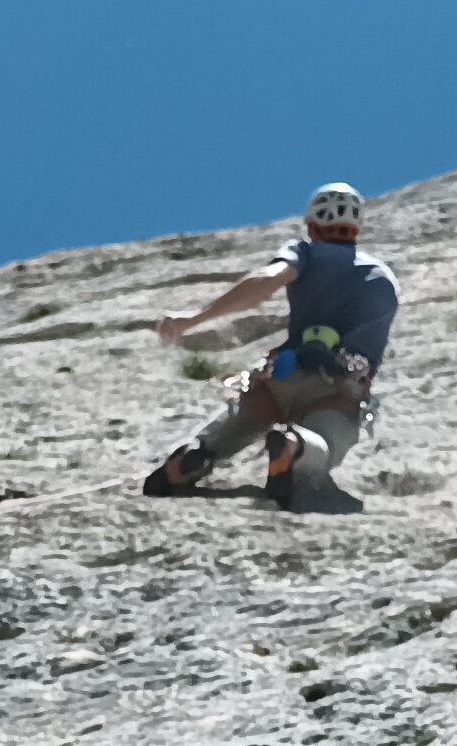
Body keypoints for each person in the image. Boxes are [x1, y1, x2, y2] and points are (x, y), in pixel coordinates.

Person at [143, 183, 400, 506]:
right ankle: (294, 446)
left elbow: (268, 280)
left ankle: (199, 452)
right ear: (357, 228)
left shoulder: (304, 254)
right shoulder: (382, 278)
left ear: (311, 226)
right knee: (323, 443)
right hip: (339, 387)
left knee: (238, 422)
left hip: (280, 375)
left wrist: (193, 319)